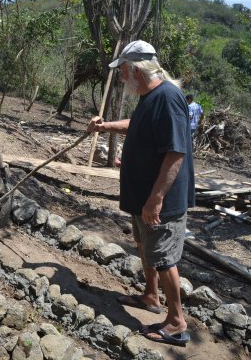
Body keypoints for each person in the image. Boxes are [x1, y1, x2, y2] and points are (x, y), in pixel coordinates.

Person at [87, 40, 194, 346]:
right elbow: (137, 125)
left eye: (122, 71)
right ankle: (150, 296)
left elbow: (176, 153)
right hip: (142, 195)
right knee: (145, 247)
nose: (121, 78)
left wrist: (156, 198)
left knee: (163, 258)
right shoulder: (150, 96)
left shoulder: (169, 97)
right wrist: (105, 126)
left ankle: (176, 323)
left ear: (135, 69)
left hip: (160, 200)